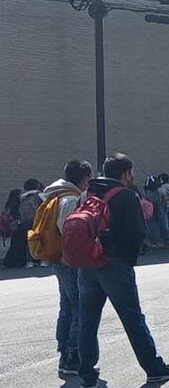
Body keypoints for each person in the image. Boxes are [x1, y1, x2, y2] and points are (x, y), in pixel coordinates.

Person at [77, 154, 169, 388]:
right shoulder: (125, 195)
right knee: (133, 319)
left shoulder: (87, 194)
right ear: (125, 173)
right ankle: (153, 368)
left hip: (86, 265)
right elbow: (138, 232)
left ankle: (87, 376)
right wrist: (127, 259)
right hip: (114, 265)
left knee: (87, 321)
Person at [41, 160, 93, 376]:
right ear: (84, 179)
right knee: (78, 307)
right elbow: (68, 230)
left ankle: (65, 352)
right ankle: (71, 356)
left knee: (67, 306)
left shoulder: (53, 195)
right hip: (67, 259)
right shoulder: (70, 199)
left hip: (57, 258)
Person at [3, 188, 30, 268]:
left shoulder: (9, 203)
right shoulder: (16, 204)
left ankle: (9, 261)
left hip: (13, 227)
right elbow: (17, 215)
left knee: (14, 244)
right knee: (19, 244)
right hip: (18, 227)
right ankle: (16, 261)